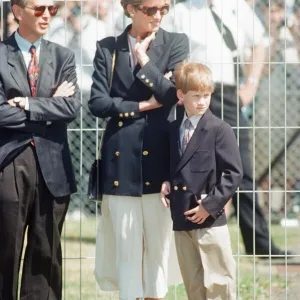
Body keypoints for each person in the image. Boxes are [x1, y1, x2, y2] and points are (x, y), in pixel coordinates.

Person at [162, 0, 292, 257]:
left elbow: (260, 44)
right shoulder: (179, 12)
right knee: (182, 167)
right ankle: (179, 235)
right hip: (190, 95)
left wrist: (251, 85)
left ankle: (260, 244)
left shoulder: (236, 7)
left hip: (227, 93)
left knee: (241, 169)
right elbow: (167, 54)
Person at [88, 0, 189, 298]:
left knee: (158, 248)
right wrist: (142, 105)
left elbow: (174, 95)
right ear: (130, 8)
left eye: (164, 9)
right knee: (127, 249)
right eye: (150, 9)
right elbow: (96, 102)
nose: (158, 15)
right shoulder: (108, 47)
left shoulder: (175, 43)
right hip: (121, 158)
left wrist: (144, 59)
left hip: (161, 154)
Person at [0, 0, 81, 299]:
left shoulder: (63, 56)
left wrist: (31, 103)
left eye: (53, 8)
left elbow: (71, 107)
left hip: (53, 167)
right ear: (17, 11)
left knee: (45, 254)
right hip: (9, 163)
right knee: (4, 250)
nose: (47, 15)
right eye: (39, 8)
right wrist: (51, 103)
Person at [160, 62, 243, 300]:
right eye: (196, 96)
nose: (202, 102)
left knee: (219, 282)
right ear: (180, 95)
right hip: (182, 218)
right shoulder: (173, 128)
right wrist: (166, 181)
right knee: (193, 284)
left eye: (206, 96)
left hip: (209, 220)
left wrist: (209, 206)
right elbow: (175, 165)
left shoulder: (219, 129)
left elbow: (233, 173)